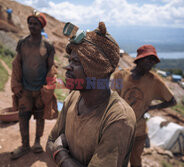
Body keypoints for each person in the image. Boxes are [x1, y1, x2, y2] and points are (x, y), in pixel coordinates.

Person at [46, 22, 136, 167]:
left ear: (97, 70)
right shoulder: (73, 98)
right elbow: (50, 141)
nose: (67, 67)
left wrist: (60, 154)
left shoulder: (118, 118)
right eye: (70, 60)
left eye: (76, 62)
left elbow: (54, 146)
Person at [113, 44, 177, 167]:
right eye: (148, 59)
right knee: (118, 161)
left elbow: (172, 101)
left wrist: (151, 108)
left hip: (139, 132)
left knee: (136, 161)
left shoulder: (154, 81)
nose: (151, 63)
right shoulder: (119, 76)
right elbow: (112, 99)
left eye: (153, 61)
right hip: (120, 130)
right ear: (140, 59)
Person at [10, 11, 56, 159]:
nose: (31, 26)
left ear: (41, 26)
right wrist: (16, 85)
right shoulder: (22, 43)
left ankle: (37, 142)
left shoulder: (48, 46)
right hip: (25, 90)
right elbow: (17, 64)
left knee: (40, 117)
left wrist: (48, 89)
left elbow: (51, 68)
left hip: (40, 91)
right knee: (23, 117)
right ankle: (24, 145)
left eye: (35, 23)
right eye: (30, 23)